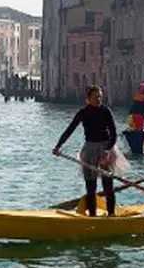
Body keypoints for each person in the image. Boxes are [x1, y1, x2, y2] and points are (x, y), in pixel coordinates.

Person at [53, 86, 129, 217]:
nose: (99, 99)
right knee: (90, 186)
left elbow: (114, 134)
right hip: (89, 149)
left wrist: (107, 151)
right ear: (88, 99)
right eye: (95, 97)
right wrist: (58, 146)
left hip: (106, 148)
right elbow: (70, 129)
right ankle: (92, 215)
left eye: (100, 96)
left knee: (108, 185)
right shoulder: (83, 112)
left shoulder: (106, 111)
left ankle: (111, 214)